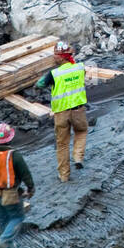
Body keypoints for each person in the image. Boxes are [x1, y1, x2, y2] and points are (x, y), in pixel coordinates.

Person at [37, 41, 88, 182]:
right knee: (81, 132)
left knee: (62, 144)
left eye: (55, 55)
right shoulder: (80, 68)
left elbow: (39, 85)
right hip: (78, 110)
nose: (54, 57)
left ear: (60, 57)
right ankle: (78, 156)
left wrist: (45, 77)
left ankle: (64, 175)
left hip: (61, 113)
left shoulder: (54, 74)